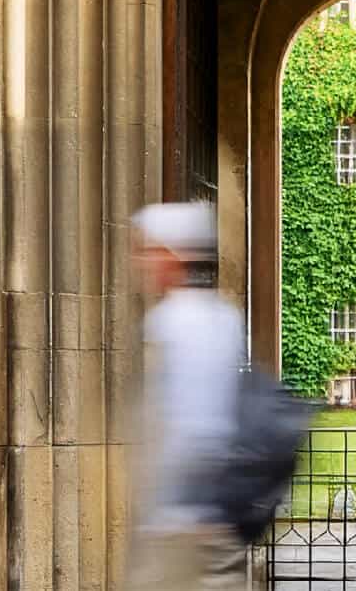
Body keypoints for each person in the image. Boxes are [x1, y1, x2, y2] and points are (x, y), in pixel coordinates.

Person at [128, 202, 249, 590]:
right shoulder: (224, 317)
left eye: (149, 250)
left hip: (185, 523)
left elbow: (188, 431)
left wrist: (168, 513)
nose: (142, 261)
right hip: (220, 515)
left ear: (170, 255)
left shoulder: (171, 322)